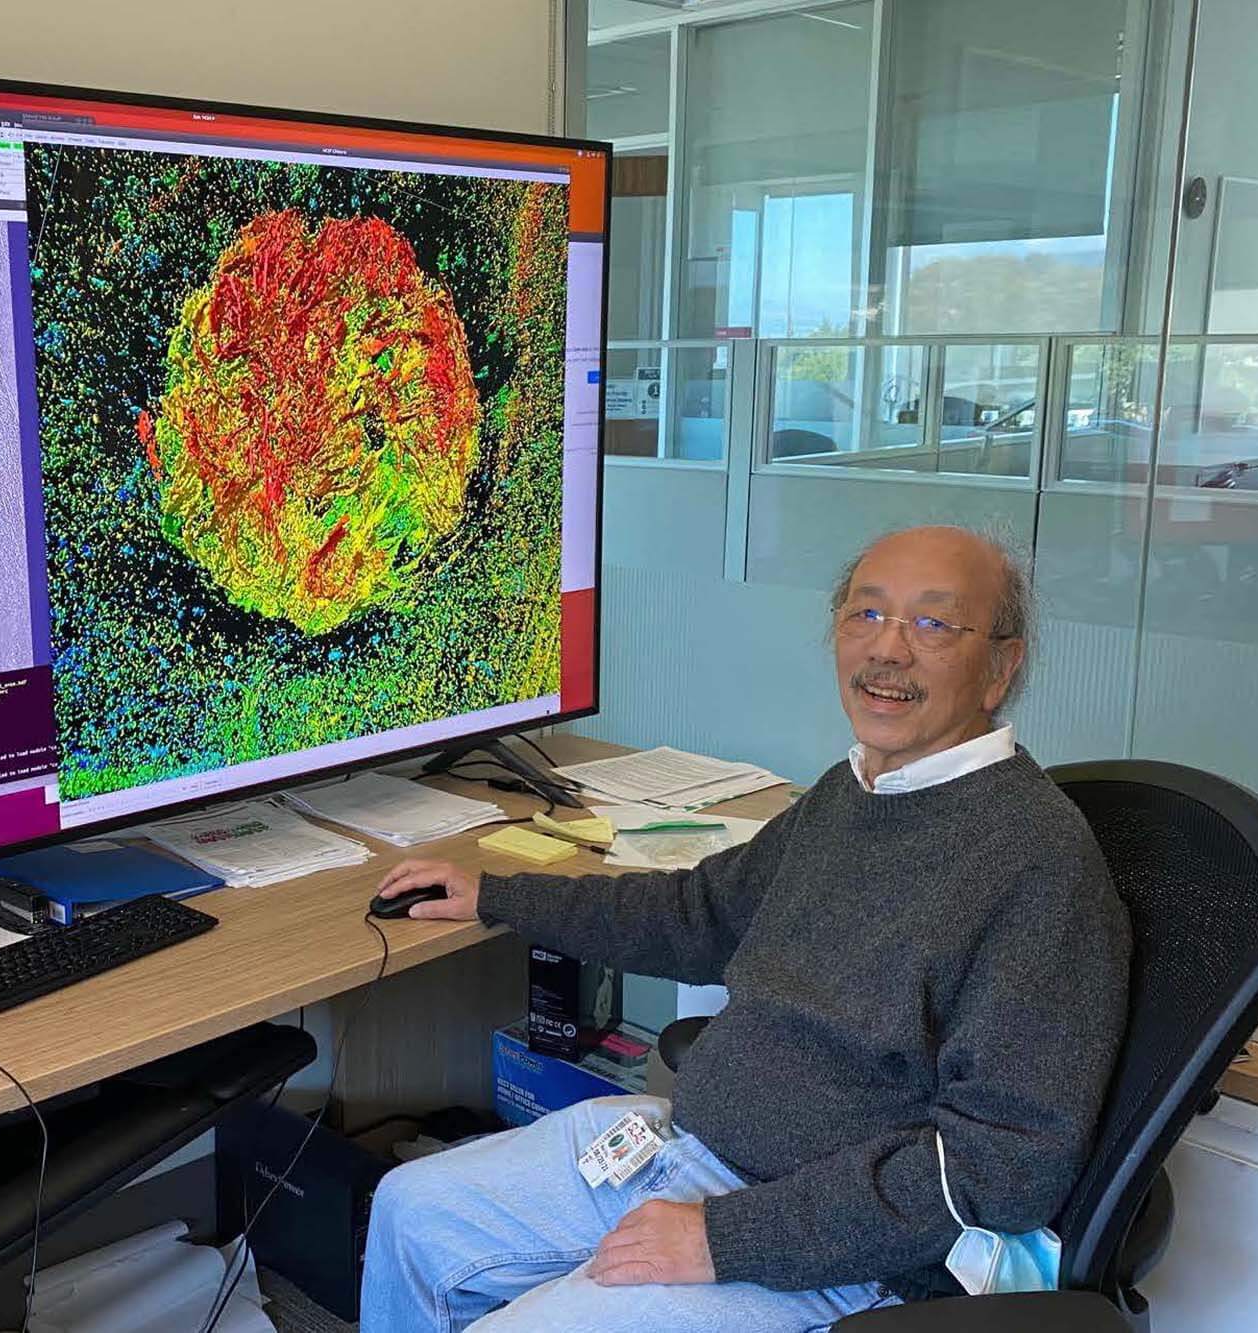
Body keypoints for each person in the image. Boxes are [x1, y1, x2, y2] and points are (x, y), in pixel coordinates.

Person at [361, 526, 1131, 1332]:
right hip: (687, 1151)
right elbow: (697, 915)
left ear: (1001, 667)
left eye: (933, 624)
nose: (888, 650)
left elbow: (1001, 1166)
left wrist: (724, 1239)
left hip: (837, 1249)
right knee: (412, 1209)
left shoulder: (1040, 863)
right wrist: (499, 896)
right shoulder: (856, 791)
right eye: (864, 614)